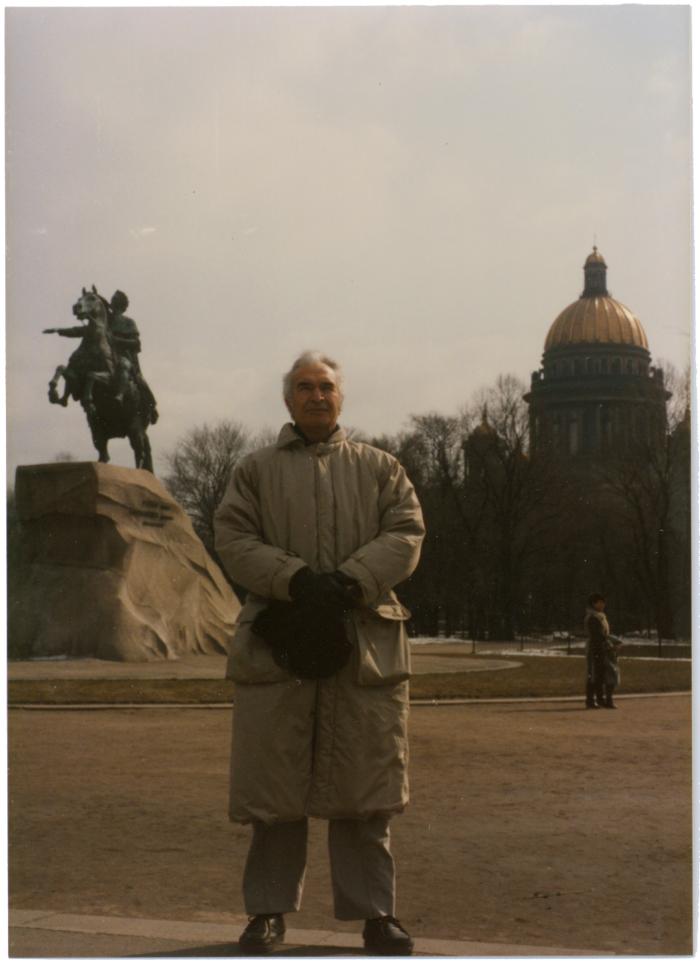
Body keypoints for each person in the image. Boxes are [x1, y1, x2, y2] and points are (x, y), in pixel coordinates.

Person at [214, 350, 425, 956]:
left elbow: (407, 532)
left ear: (340, 397)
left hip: (362, 647)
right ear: (288, 400)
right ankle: (266, 913)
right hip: (278, 643)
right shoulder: (254, 471)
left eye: (325, 386)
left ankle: (376, 914)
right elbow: (231, 536)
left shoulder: (382, 468)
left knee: (364, 791)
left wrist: (351, 582)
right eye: (304, 387)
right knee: (274, 794)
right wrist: (297, 579)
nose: (315, 396)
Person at [584, 593, 621, 709]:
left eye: (603, 602)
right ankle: (590, 700)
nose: (602, 605)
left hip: (602, 647)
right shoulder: (593, 617)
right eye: (599, 602)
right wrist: (611, 643)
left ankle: (600, 699)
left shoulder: (600, 616)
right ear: (593, 603)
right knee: (594, 674)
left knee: (600, 674)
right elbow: (598, 635)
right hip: (596, 648)